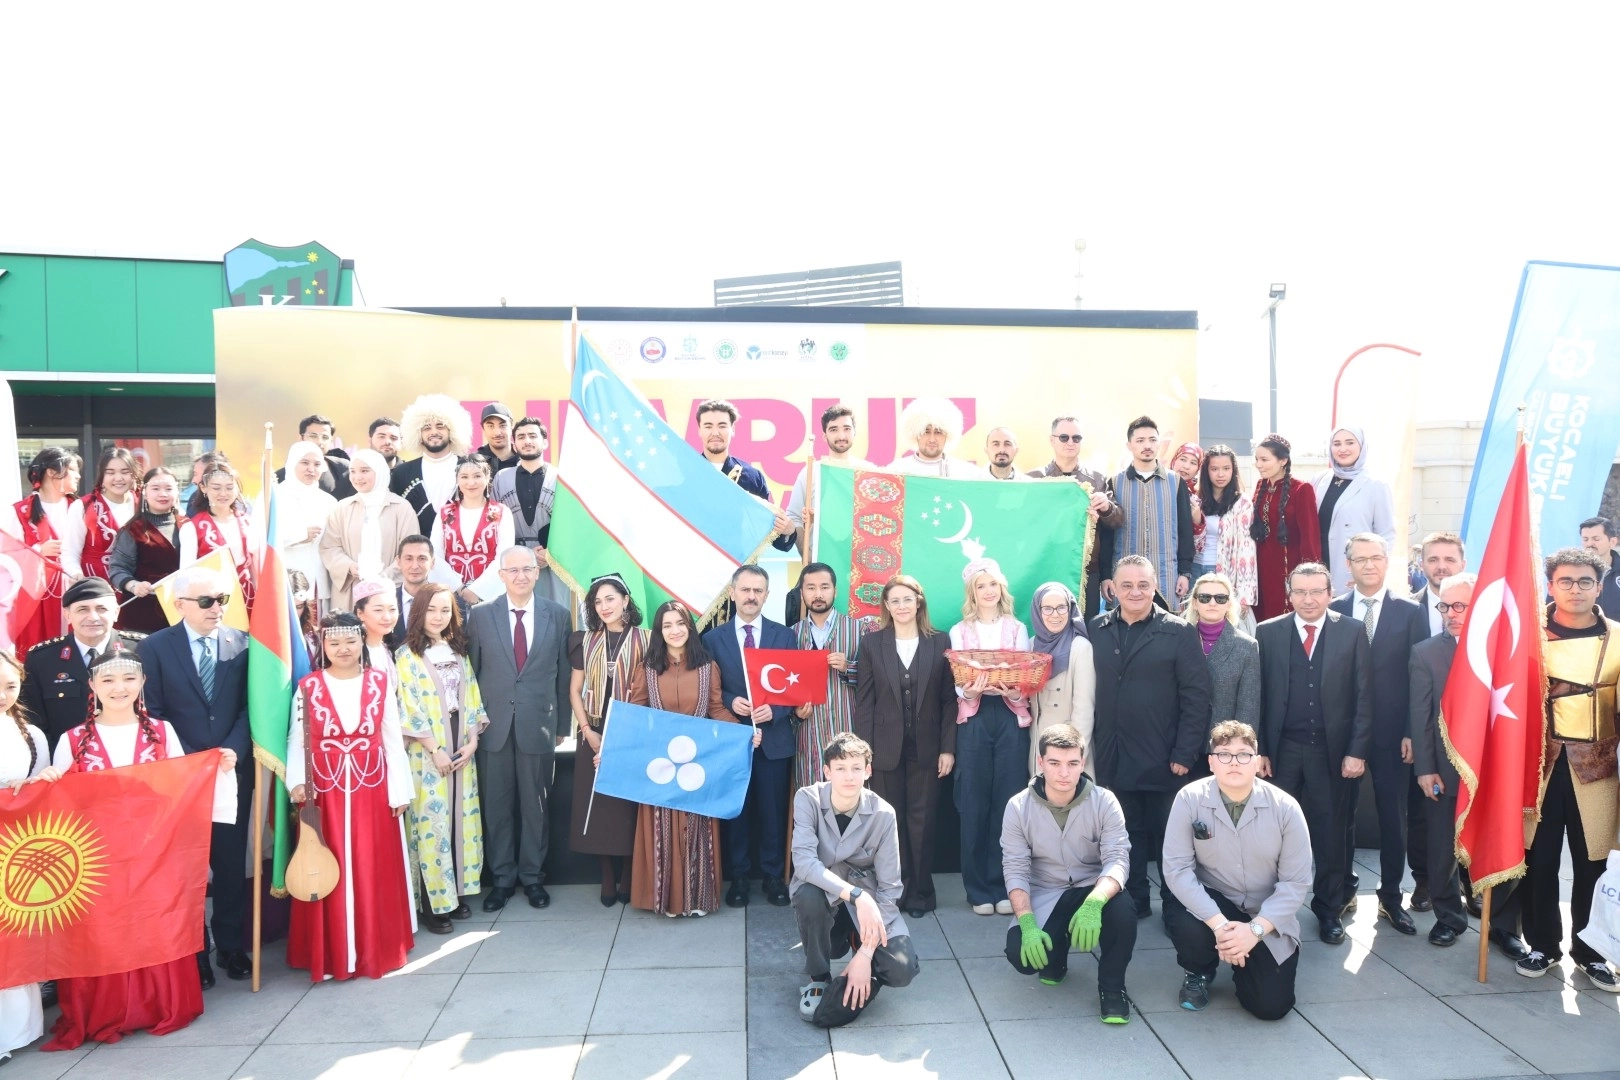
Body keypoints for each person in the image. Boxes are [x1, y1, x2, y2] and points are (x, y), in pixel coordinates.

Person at [33, 644, 233, 1049]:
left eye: (128, 678)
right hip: (97, 861)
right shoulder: (72, 740)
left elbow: (183, 787)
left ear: (142, 682)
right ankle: (107, 1011)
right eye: (108, 679)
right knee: (104, 932)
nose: (119, 687)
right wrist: (47, 781)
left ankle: (161, 1004)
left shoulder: (162, 732)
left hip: (154, 853)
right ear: (92, 685)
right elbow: (58, 808)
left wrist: (217, 767)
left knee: (156, 923)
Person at [137, 565, 253, 984]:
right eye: (206, 601)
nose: (216, 608)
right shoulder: (154, 647)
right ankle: (196, 951)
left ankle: (231, 947)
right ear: (180, 604)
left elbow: (250, 707)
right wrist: (189, 758)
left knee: (229, 863)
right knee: (187, 868)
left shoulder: (242, 643)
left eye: (222, 599)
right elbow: (153, 710)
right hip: (181, 776)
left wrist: (234, 748)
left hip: (230, 770)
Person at [287, 614, 415, 981]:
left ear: (361, 642)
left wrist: (399, 791)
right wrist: (296, 782)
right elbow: (296, 738)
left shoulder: (379, 682)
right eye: (334, 643)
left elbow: (392, 739)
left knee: (371, 863)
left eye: (350, 641)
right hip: (323, 792)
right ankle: (331, 954)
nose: (343, 649)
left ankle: (375, 949)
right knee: (328, 863)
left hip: (372, 788)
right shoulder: (308, 686)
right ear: (323, 647)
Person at [1408, 573, 1529, 957]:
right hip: (1445, 770)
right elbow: (1421, 717)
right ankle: (1449, 918)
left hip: (1497, 768)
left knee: (1500, 843)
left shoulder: (1507, 650)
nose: (1451, 613)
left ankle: (1504, 927)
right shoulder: (1426, 653)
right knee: (1441, 848)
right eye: (1445, 606)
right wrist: (1425, 769)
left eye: (1460, 605)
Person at [1518, 547, 1620, 989]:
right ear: (1550, 586)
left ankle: (1591, 952)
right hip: (1538, 768)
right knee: (1538, 862)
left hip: (1597, 770)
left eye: (1584, 581)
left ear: (1599, 587)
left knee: (1593, 864)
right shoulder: (1526, 636)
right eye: (1565, 581)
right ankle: (1542, 944)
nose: (1575, 589)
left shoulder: (1618, 639)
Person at [1255, 562, 1372, 945]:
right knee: (1272, 832)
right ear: (1289, 594)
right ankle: (1271, 911)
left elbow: (1364, 696)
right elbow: (1260, 696)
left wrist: (1356, 751)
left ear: (1330, 593)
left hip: (1331, 752)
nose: (1308, 599)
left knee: (1330, 833)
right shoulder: (1268, 632)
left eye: (1316, 591)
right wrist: (1261, 750)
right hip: (1283, 750)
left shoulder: (1352, 631)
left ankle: (1328, 909)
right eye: (1300, 592)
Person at [1162, 721, 1311, 1020]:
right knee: (1184, 916)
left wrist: (1254, 931)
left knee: (1271, 1006)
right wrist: (1220, 926)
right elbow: (1177, 869)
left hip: (1265, 911)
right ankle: (1198, 970)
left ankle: (1245, 962)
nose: (1234, 762)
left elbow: (1296, 883)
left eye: (1243, 754)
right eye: (1224, 754)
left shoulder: (1286, 808)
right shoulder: (1189, 799)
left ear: (1257, 762)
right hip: (1213, 903)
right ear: (1211, 762)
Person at [1090, 555, 1212, 918]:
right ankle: (1135, 901)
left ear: (1155, 586)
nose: (1135, 592)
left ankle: (1176, 906)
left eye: (1143, 584)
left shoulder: (1179, 631)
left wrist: (1185, 753)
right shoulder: (1096, 628)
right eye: (1126, 585)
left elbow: (1197, 697)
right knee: (1126, 835)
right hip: (1114, 756)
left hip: (1165, 758)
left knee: (1170, 838)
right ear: (1113, 588)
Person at [1002, 723, 1136, 1023]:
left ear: (1083, 762)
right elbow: (1015, 869)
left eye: (1073, 763)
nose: (1064, 773)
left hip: (1093, 887)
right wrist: (1027, 923)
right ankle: (1057, 953)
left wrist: (1095, 903)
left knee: (1125, 913)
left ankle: (1113, 988)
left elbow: (1117, 859)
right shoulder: (1018, 807)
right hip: (1046, 890)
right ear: (1040, 762)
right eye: (1055, 763)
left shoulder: (1105, 801)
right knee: (1021, 955)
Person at [1328, 532, 1426, 935]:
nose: (1368, 565)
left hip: (1392, 734)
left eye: (1376, 558)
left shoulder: (1410, 612)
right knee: (1341, 817)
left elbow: (1418, 677)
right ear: (1348, 564)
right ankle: (1343, 890)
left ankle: (1390, 897)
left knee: (1392, 818)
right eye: (1360, 559)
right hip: (1343, 733)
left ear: (1387, 562)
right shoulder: (1333, 609)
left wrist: (1411, 731)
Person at [465, 546, 571, 911]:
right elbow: (472, 674)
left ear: (537, 572)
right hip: (493, 728)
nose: (520, 576)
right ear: (501, 575)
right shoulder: (481, 615)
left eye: (527, 569)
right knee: (496, 806)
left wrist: (562, 724)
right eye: (513, 570)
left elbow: (563, 674)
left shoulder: (558, 615)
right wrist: (473, 724)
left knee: (535, 805)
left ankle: (533, 878)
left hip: (538, 725)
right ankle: (502, 880)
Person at [790, 733, 919, 1028]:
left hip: (871, 903)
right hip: (829, 894)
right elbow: (805, 863)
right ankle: (819, 976)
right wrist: (857, 896)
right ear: (827, 771)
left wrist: (866, 953)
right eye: (840, 768)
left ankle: (860, 964)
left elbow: (890, 887)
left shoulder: (884, 814)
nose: (849, 776)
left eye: (856, 768)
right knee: (808, 894)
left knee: (902, 969)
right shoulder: (807, 799)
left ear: (868, 771)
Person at [630, 600, 749, 917]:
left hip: (697, 763)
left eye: (680, 623)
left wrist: (743, 733)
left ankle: (697, 899)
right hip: (660, 765)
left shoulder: (708, 667)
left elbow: (717, 709)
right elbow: (635, 714)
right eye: (667, 625)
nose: (675, 630)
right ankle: (667, 900)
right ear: (659, 631)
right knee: (663, 826)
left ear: (690, 628)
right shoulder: (647, 668)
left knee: (697, 827)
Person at [853, 574, 956, 918]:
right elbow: (864, 702)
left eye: (907, 599)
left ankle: (920, 894)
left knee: (922, 823)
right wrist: (863, 754)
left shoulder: (939, 641)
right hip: (884, 749)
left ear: (919, 602)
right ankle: (894, 893)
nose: (901, 606)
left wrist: (947, 748)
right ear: (886, 605)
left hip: (927, 748)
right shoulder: (872, 643)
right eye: (894, 600)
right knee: (889, 822)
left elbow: (948, 700)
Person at [702, 564, 797, 907]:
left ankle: (773, 876)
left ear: (767, 595)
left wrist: (776, 710)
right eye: (745, 590)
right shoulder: (712, 639)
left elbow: (794, 686)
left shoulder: (785, 636)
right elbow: (709, 688)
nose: (751, 596)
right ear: (732, 593)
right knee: (737, 813)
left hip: (773, 739)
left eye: (758, 590)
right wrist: (730, 701)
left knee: (772, 813)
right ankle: (739, 878)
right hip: (732, 740)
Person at [396, 582, 488, 932]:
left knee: (459, 821)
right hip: (426, 748)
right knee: (430, 823)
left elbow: (473, 695)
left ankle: (456, 892)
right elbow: (408, 707)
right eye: (431, 609)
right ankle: (432, 903)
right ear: (419, 612)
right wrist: (434, 749)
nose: (438, 616)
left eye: (445, 610)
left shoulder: (457, 651)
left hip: (460, 740)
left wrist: (473, 740)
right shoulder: (406, 655)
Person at [948, 559, 1032, 915]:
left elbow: (1025, 676)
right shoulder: (959, 631)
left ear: (1001, 588)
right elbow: (958, 681)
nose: (988, 591)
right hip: (975, 717)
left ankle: (1003, 885)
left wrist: (1015, 691)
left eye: (993, 584)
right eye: (981, 586)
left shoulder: (1017, 628)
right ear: (972, 592)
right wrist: (969, 690)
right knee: (974, 802)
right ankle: (978, 890)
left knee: (1008, 801)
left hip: (1010, 717)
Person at [568, 574, 649, 906]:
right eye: (598, 601)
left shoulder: (648, 639)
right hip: (594, 731)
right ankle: (606, 876)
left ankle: (628, 873)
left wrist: (629, 736)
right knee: (598, 807)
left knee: (628, 806)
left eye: (610, 599)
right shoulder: (584, 640)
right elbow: (574, 690)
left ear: (625, 600)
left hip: (632, 733)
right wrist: (587, 730)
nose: (604, 606)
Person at [21, 577, 147, 753]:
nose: (93, 617)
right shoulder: (42, 659)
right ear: (67, 615)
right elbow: (34, 719)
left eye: (101, 609)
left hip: (132, 755)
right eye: (82, 609)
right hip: (66, 759)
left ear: (116, 612)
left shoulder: (142, 649)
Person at [0, 653, 48, 1063]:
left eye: (10, 686)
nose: (2, 695)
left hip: (15, 850)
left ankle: (16, 1031)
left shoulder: (32, 734)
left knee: (14, 936)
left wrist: (34, 783)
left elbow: (43, 792)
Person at [1026, 416, 1123, 617]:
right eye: (1064, 437)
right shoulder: (1034, 479)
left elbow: (1117, 520)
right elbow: (1023, 523)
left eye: (1076, 438)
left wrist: (1106, 507)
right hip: (1045, 566)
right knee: (1046, 625)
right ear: (1052, 440)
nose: (1070, 442)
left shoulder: (1097, 479)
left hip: (1085, 570)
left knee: (1085, 630)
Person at [1100, 416, 1194, 606]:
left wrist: (1184, 573)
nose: (1147, 445)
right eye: (1140, 440)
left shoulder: (1176, 482)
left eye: (1152, 440)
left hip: (1166, 576)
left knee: (1167, 623)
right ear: (1129, 445)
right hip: (1125, 579)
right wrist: (1105, 576)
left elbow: (1185, 530)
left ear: (1159, 443)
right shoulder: (1115, 483)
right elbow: (1107, 534)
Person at [790, 562, 864, 790]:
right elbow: (782, 688)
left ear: (835, 591)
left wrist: (848, 667)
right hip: (808, 733)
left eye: (824, 587)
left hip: (847, 727)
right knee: (812, 798)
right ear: (802, 592)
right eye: (811, 588)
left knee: (848, 797)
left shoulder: (858, 630)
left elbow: (876, 681)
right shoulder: (791, 634)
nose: (818, 594)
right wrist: (796, 713)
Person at [319, 448, 418, 612]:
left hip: (390, 589)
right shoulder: (341, 508)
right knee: (352, 626)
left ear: (379, 472)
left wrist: (383, 578)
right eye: (353, 471)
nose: (357, 477)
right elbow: (329, 547)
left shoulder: (402, 508)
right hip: (351, 589)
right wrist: (350, 567)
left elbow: (410, 551)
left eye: (364, 471)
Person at [10, 447, 85, 655]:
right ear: (52, 472)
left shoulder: (82, 507)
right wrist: (37, 550)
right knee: (39, 652)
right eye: (73, 469)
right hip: (37, 596)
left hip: (76, 586)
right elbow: (6, 557)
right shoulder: (20, 511)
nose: (78, 476)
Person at [491, 417, 569, 607]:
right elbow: (494, 525)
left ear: (545, 442)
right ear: (514, 444)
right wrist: (522, 555)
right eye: (521, 437)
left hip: (556, 563)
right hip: (514, 565)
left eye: (533, 436)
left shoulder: (562, 478)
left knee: (557, 614)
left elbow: (572, 525)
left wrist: (552, 552)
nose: (527, 441)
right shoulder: (501, 478)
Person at [695, 400, 795, 547]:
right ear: (699, 430)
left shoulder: (752, 477)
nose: (715, 432)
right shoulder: (686, 472)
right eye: (708, 426)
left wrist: (789, 531)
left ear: (732, 429)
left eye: (722, 426)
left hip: (739, 560)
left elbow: (768, 530)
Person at [1313, 426, 1397, 594]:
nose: (1342, 449)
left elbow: (1386, 534)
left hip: (1353, 570)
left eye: (1350, 443)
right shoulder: (1319, 479)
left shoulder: (1376, 484)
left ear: (1362, 446)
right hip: (1318, 568)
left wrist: (1371, 571)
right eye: (1337, 444)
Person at [1250, 434, 1321, 622]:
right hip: (1260, 570)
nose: (1258, 465)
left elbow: (1310, 537)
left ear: (1283, 461)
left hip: (1288, 570)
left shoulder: (1301, 489)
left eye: (1264, 460)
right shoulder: (1261, 485)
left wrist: (1310, 575)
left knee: (1285, 621)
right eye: (1257, 459)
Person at [784, 405, 871, 556]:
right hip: (821, 560)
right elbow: (794, 516)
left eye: (847, 428)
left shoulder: (868, 473)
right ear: (824, 436)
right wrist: (806, 553)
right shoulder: (811, 472)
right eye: (833, 429)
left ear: (854, 432)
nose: (841, 436)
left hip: (861, 559)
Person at [107, 466, 186, 633]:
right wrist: (134, 585)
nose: (163, 494)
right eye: (155, 488)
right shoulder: (132, 530)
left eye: (168, 489)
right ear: (144, 492)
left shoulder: (188, 525)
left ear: (177, 491)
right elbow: (117, 568)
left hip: (182, 611)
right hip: (142, 614)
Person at [1028, 582, 1095, 775]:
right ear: (1038, 611)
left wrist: (1074, 758)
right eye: (1047, 608)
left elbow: (1084, 709)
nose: (1055, 615)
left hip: (1068, 753)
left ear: (1070, 609)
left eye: (1061, 607)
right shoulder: (1031, 646)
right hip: (1038, 750)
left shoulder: (1080, 647)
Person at [432, 456, 514, 608]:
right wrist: (458, 587)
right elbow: (434, 555)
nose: (471, 483)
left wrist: (477, 590)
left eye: (477, 476)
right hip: (451, 594)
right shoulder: (444, 513)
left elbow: (505, 556)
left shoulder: (502, 512)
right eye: (464, 477)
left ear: (487, 477)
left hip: (491, 594)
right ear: (457, 479)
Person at [180, 463, 260, 615]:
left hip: (248, 596)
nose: (223, 493)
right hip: (212, 601)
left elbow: (254, 566)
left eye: (229, 488)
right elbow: (186, 574)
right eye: (216, 488)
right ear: (203, 488)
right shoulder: (192, 527)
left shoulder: (247, 521)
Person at [1187, 572, 1260, 732]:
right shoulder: (1179, 641)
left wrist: (1238, 744)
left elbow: (1248, 707)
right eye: (1205, 598)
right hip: (1182, 739)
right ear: (1194, 603)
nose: (1212, 603)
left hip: (1225, 741)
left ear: (1229, 604)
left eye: (1220, 598)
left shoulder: (1247, 646)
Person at [392, 394, 474, 536]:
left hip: (465, 548)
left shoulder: (472, 468)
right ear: (418, 433)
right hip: (416, 548)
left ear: (452, 431)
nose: (434, 432)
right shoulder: (401, 473)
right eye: (427, 428)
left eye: (440, 426)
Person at [1196, 445, 1258, 627]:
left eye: (1226, 468)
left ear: (1233, 470)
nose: (1220, 474)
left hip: (1223, 572)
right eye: (1214, 469)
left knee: (1223, 625)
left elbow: (1246, 549)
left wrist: (1245, 595)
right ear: (1206, 471)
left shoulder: (1242, 502)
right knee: (1195, 625)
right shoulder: (1196, 499)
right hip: (1195, 569)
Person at [277, 441, 338, 609]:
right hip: (285, 577)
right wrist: (300, 535)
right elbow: (258, 540)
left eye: (317, 464)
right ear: (292, 463)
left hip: (318, 579)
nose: (311, 469)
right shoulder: (274, 496)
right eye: (304, 462)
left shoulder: (328, 501)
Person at [78, 447, 139, 583]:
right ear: (102, 476)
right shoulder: (84, 506)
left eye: (125, 472)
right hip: (97, 583)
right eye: (110, 473)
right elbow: (70, 552)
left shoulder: (144, 503)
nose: (118, 478)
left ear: (134, 475)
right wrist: (77, 576)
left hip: (138, 585)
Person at [392, 534, 467, 645]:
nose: (415, 566)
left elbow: (460, 643)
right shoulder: (387, 600)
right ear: (398, 562)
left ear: (432, 562)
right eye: (408, 559)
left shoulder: (453, 603)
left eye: (422, 559)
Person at [893, 396, 977, 477]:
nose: (932, 439)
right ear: (915, 434)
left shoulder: (966, 473)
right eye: (926, 432)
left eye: (938, 432)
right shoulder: (896, 471)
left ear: (948, 435)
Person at [1413, 531, 1466, 639]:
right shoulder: (1406, 610)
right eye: (1433, 560)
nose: (1441, 567)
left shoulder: (1480, 607)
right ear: (1421, 565)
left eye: (1450, 560)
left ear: (1463, 565)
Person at [353, 579, 402, 687]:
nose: (387, 617)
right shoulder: (352, 653)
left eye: (392, 609)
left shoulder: (391, 650)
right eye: (378, 610)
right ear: (360, 613)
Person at [1170, 441, 1206, 570]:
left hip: (1184, 566)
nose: (1186, 466)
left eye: (1193, 463)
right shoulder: (1158, 487)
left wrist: (1197, 521)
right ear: (1174, 461)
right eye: (1183, 459)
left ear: (1198, 469)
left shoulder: (1197, 499)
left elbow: (1199, 548)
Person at [1579, 516, 1620, 617]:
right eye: (1585, 539)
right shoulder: (1570, 571)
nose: (1589, 544)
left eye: (1596, 539)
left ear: (1612, 542)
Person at [475, 402, 520, 473]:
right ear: (483, 428)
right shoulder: (474, 463)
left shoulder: (524, 461)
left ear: (512, 426)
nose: (497, 433)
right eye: (490, 426)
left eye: (502, 425)